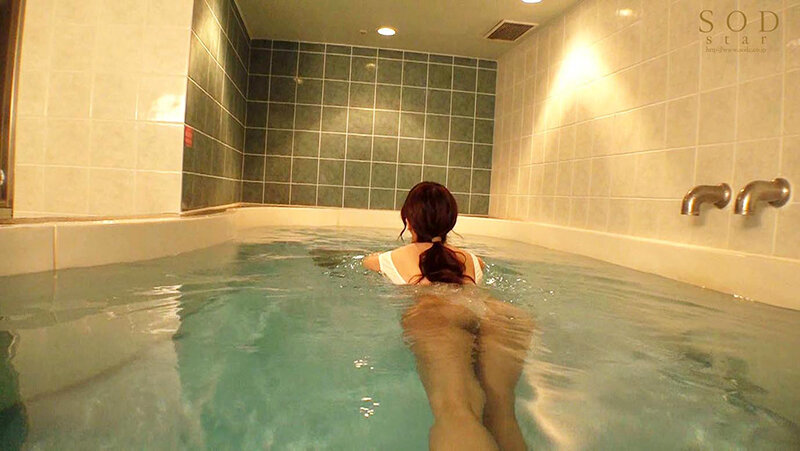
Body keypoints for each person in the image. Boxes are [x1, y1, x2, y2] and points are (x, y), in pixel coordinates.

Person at [363, 182, 534, 451]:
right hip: (497, 314)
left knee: (456, 410)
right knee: (501, 409)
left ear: (408, 221)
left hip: (436, 315)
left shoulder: (384, 260)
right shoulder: (475, 261)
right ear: (450, 221)